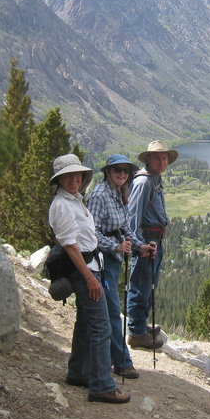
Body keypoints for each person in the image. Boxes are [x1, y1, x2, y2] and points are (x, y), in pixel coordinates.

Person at [48, 153, 130, 404]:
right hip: (84, 269)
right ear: (59, 179)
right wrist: (90, 279)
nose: (74, 179)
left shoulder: (74, 200)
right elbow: (71, 246)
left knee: (85, 323)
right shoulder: (61, 205)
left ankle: (78, 372)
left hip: (92, 265)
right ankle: (102, 386)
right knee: (101, 326)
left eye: (77, 175)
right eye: (68, 176)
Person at [87, 154, 156, 379]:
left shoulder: (118, 193)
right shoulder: (99, 195)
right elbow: (91, 233)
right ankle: (122, 362)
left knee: (110, 311)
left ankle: (109, 359)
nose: (122, 174)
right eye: (118, 170)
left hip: (113, 260)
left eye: (126, 171)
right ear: (108, 171)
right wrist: (115, 247)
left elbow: (126, 228)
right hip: (101, 261)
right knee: (112, 313)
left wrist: (139, 246)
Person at [126, 140, 177, 349]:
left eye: (164, 158)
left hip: (155, 239)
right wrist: (138, 245)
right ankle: (136, 332)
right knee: (140, 284)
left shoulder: (155, 179)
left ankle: (141, 325)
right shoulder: (143, 182)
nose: (162, 161)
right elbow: (132, 217)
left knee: (148, 284)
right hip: (146, 241)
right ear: (148, 159)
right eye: (157, 158)